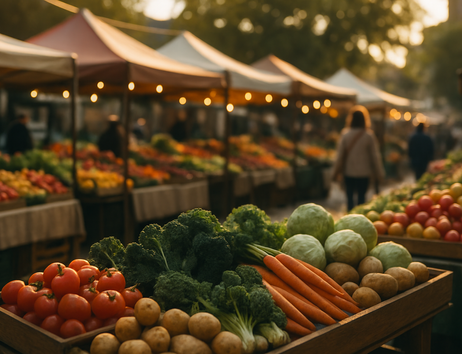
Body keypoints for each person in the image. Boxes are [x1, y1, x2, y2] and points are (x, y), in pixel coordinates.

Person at [332, 105, 385, 211]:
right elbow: (375, 157)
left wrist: (335, 173)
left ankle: (349, 217)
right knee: (362, 198)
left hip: (348, 172)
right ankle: (360, 217)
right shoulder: (369, 136)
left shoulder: (345, 135)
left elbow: (339, 156)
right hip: (364, 173)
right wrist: (380, 174)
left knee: (349, 199)